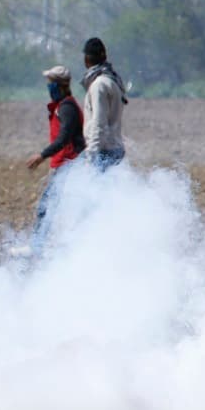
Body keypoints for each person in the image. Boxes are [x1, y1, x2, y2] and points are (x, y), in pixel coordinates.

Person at [25, 65, 85, 251]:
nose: (48, 87)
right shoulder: (63, 106)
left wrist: (42, 155)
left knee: (47, 206)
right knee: (51, 205)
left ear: (60, 85)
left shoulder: (66, 107)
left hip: (68, 165)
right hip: (64, 164)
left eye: (50, 83)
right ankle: (46, 245)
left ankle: (38, 247)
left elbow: (64, 137)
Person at [81, 37, 127, 170]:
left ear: (86, 59)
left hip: (103, 151)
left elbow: (99, 122)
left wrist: (91, 157)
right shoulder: (112, 80)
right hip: (113, 148)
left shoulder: (99, 85)